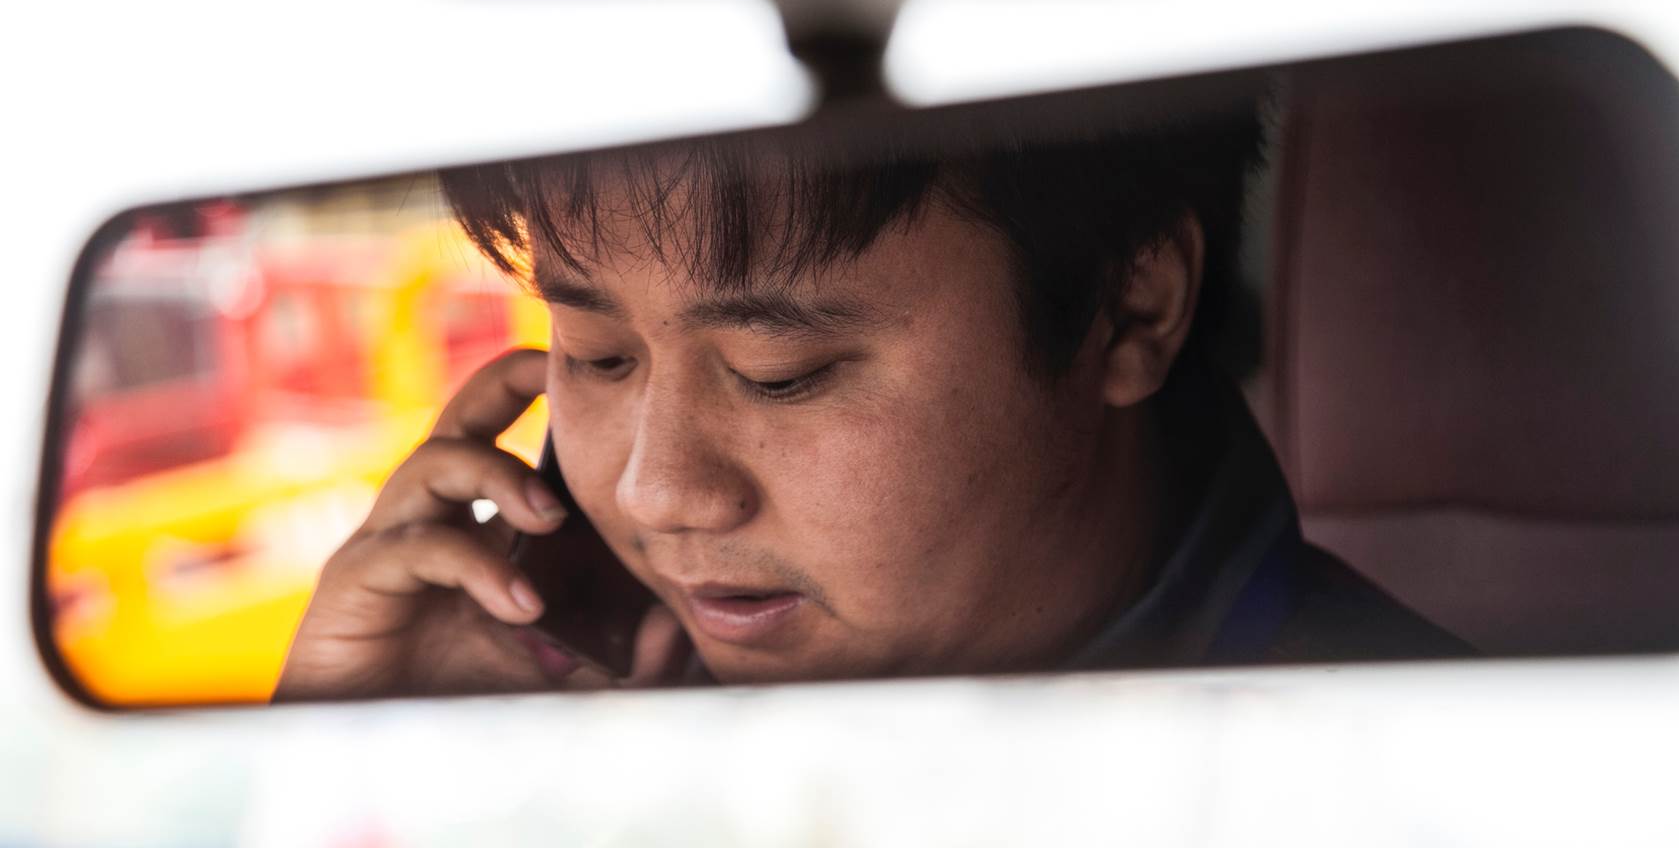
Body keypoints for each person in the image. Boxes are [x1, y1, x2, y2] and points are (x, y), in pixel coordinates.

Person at [275, 111, 1465, 700]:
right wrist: (386, 760)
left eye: (776, 374)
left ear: (1129, 309)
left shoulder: (1404, 799)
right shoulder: (577, 694)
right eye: (594, 355)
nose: (652, 490)